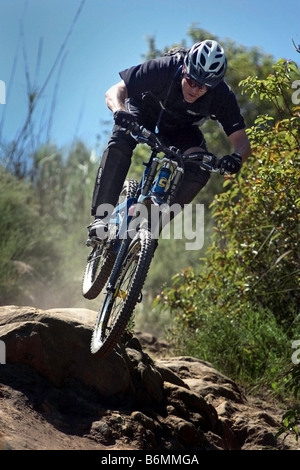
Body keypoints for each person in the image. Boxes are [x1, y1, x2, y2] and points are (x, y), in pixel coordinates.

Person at [88, 39, 251, 241]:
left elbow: (241, 141)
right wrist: (119, 111)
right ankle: (102, 218)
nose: (195, 89)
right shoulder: (165, 67)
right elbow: (114, 91)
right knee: (122, 138)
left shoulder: (222, 96)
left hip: (181, 129)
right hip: (144, 112)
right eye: (191, 80)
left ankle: (151, 228)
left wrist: (236, 158)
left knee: (201, 168)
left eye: (203, 87)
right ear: (184, 68)